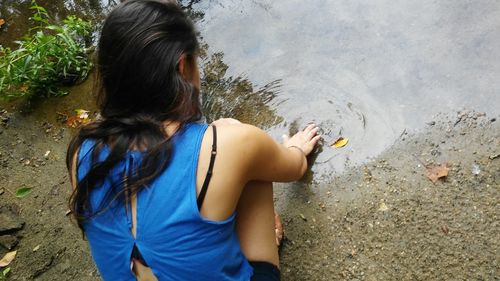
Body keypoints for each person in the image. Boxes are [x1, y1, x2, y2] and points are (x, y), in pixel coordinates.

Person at [66, 1, 321, 280]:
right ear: (183, 66)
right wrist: (295, 148)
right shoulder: (227, 145)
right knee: (241, 147)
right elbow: (294, 167)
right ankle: (265, 242)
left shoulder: (83, 149)